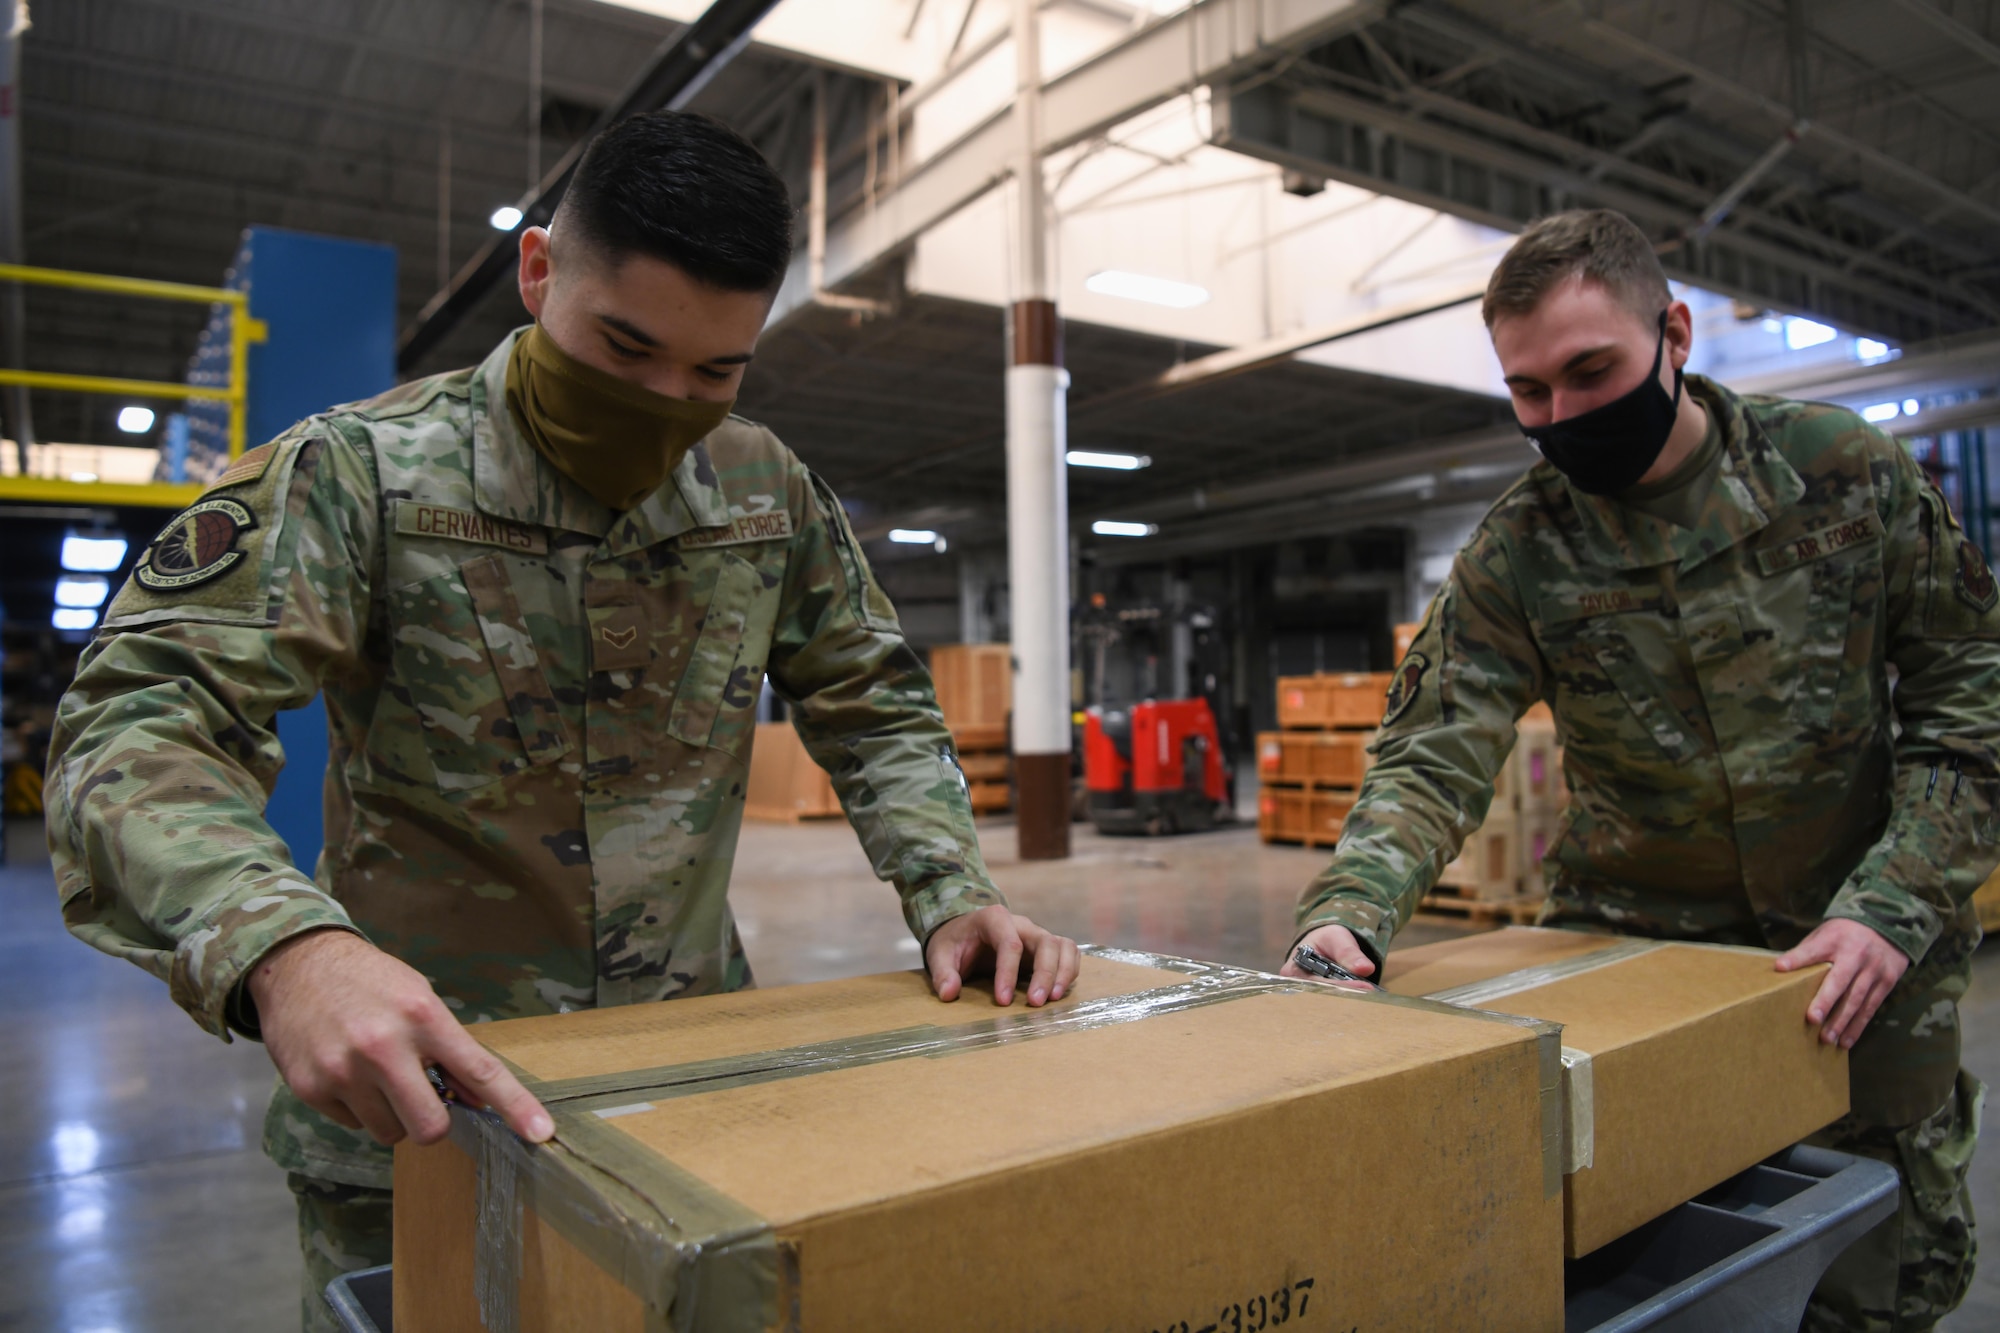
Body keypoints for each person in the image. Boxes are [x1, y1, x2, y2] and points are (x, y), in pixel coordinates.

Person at [45, 111, 1079, 1330]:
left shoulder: (763, 490)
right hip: (421, 1115)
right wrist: (284, 949)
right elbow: (134, 725)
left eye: (713, 373)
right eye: (624, 348)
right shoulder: (361, 477)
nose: (663, 400)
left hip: (695, 1101)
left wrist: (951, 888)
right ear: (539, 271)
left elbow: (875, 699)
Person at [1285, 209, 1995, 1332]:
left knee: (1874, 1281)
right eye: (1526, 391)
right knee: (1648, 1277)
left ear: (1672, 334)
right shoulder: (1520, 549)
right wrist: (1350, 912)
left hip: (1857, 958)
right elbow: (1431, 750)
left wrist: (1893, 905)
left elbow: (1973, 700)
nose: (1560, 415)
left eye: (1587, 371)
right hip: (1633, 963)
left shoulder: (1841, 476)